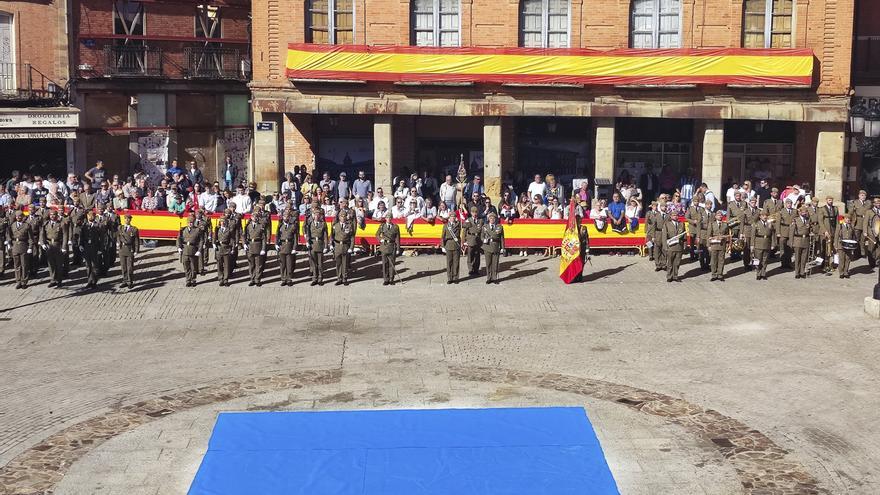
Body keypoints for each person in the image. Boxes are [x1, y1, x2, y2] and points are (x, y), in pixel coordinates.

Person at [80, 210, 107, 289]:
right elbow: (82, 236)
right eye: (89, 215)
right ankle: (89, 281)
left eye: (92, 216)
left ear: (94, 217)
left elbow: (102, 238)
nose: (90, 217)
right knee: (88, 265)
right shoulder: (84, 225)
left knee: (94, 265)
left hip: (95, 247)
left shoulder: (98, 225)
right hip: (87, 247)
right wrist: (81, 245)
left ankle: (94, 282)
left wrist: (100, 249)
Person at [658, 203, 684, 282]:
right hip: (671, 247)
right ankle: (669, 276)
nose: (675, 216)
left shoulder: (681, 224)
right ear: (671, 216)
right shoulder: (667, 224)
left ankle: (675, 276)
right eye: (673, 215)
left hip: (679, 246)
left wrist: (684, 245)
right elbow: (664, 236)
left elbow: (684, 236)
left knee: (677, 263)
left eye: (676, 215)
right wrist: (665, 247)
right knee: (670, 263)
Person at [9, 210, 34, 289]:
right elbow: (9, 235)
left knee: (24, 265)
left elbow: (30, 238)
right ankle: (18, 281)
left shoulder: (27, 225)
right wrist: (9, 244)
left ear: (23, 217)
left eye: (20, 216)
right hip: (15, 246)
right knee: (17, 265)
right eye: (17, 216)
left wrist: (30, 247)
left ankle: (24, 281)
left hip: (23, 245)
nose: (18, 218)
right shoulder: (13, 225)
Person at [177, 214, 204, 287]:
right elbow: (179, 239)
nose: (190, 224)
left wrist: (199, 250)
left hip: (193, 250)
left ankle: (193, 279)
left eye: (191, 222)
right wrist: (179, 247)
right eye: (189, 222)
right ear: (187, 223)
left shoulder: (197, 230)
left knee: (193, 267)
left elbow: (201, 241)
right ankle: (188, 280)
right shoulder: (183, 230)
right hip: (185, 250)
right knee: (186, 267)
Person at [243, 209, 268, 286]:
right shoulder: (248, 226)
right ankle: (252, 279)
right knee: (251, 264)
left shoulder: (261, 226)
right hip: (250, 245)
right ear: (251, 217)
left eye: (256, 217)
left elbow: (264, 238)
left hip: (258, 245)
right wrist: (244, 244)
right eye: (253, 217)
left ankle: (257, 279)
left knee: (258, 265)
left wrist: (263, 248)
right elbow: (244, 235)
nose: (255, 218)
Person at [305, 206, 328, 286]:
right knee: (313, 263)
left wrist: (326, 246)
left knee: (320, 263)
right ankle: (314, 278)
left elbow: (325, 236)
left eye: (318, 215)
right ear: (313, 215)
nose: (317, 216)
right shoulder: (310, 224)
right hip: (312, 244)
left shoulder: (323, 224)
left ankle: (320, 278)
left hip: (320, 244)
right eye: (315, 215)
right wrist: (307, 241)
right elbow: (308, 234)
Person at [276, 209, 299, 286]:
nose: (286, 218)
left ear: (289, 217)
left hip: (289, 245)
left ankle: (289, 279)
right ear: (282, 217)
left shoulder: (293, 226)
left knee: (289, 264)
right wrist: (276, 244)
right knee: (282, 265)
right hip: (282, 246)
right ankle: (283, 279)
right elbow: (277, 235)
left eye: (287, 216)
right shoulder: (280, 225)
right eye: (285, 216)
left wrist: (294, 248)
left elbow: (296, 238)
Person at [214, 210, 237, 286]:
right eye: (221, 222)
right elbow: (214, 238)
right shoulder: (217, 229)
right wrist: (214, 244)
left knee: (227, 265)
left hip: (226, 248)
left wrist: (233, 248)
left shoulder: (229, 230)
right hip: (219, 248)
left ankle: (226, 279)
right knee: (219, 265)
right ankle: (220, 279)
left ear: (226, 222)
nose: (222, 223)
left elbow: (232, 240)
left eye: (224, 222)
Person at [116, 214, 140, 289]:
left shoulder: (134, 229)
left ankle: (130, 281)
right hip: (122, 249)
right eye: (126, 219)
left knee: (130, 267)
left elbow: (136, 241)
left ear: (130, 220)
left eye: (128, 219)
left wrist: (136, 250)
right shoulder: (120, 227)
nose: (127, 220)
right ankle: (125, 280)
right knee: (123, 266)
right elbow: (118, 236)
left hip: (130, 249)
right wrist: (118, 243)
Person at [377, 212, 400, 286]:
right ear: (385, 219)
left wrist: (398, 249)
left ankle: (391, 279)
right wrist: (380, 239)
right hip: (384, 246)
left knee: (392, 264)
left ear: (391, 218)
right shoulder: (382, 226)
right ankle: (385, 279)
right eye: (387, 218)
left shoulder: (395, 227)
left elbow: (398, 238)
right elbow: (377, 234)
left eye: (390, 218)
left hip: (392, 246)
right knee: (385, 264)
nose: (388, 219)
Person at [790, 206, 813, 279]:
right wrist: (791, 242)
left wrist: (811, 233)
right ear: (799, 212)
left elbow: (810, 229)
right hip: (797, 240)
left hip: (805, 240)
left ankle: (802, 272)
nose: (804, 213)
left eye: (806, 212)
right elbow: (791, 232)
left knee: (804, 258)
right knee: (797, 258)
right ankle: (797, 272)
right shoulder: (795, 220)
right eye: (803, 212)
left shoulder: (808, 220)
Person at [481, 212, 504, 284]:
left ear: (495, 219)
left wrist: (503, 247)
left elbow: (502, 238)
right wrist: (483, 240)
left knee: (495, 263)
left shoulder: (499, 227)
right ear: (488, 219)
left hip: (495, 246)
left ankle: (494, 278)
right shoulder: (485, 227)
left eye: (493, 218)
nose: (492, 219)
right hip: (487, 246)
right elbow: (481, 236)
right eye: (490, 218)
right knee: (488, 263)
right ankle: (489, 277)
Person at [750, 210, 774, 280]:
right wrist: (752, 245)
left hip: (767, 242)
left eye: (766, 215)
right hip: (758, 243)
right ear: (760, 217)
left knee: (765, 259)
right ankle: (758, 273)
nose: (765, 217)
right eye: (763, 216)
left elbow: (772, 235)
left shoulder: (769, 224)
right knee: (757, 259)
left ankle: (763, 273)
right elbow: (753, 235)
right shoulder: (756, 224)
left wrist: (773, 244)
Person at [706, 209, 729, 281]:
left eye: (721, 215)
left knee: (721, 260)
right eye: (718, 215)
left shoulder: (725, 224)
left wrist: (727, 244)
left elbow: (727, 235)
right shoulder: (712, 224)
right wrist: (708, 245)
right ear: (715, 216)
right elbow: (708, 235)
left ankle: (720, 275)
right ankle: (714, 275)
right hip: (714, 244)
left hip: (722, 245)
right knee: (713, 260)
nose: (720, 216)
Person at [441, 213, 462, 284]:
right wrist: (443, 246)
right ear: (449, 218)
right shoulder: (446, 226)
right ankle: (450, 278)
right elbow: (443, 237)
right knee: (449, 262)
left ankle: (455, 277)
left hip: (456, 245)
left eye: (454, 216)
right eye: (451, 216)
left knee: (456, 263)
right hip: (448, 244)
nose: (452, 218)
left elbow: (461, 233)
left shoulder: (458, 225)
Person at [834, 214, 856, 278]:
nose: (848, 220)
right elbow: (836, 236)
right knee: (841, 259)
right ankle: (841, 272)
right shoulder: (839, 226)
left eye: (849, 219)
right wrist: (836, 245)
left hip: (849, 245)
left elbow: (853, 236)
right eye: (847, 218)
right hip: (841, 245)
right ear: (844, 219)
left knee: (848, 259)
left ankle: (846, 272)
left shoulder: (851, 226)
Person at [463, 206, 483, 276]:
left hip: (478, 239)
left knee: (477, 256)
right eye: (473, 212)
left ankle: (476, 269)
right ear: (471, 213)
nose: (475, 214)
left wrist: (482, 240)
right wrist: (464, 241)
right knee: (470, 255)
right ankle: (471, 269)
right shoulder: (468, 220)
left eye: (476, 212)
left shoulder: (480, 220)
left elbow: (482, 231)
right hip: (470, 238)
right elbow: (464, 231)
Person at [778, 199, 796, 269]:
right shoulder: (782, 211)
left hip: (791, 232)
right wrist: (778, 232)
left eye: (790, 203)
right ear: (785, 204)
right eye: (788, 203)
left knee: (789, 248)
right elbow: (778, 222)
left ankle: (788, 263)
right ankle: (783, 263)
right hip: (783, 231)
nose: (789, 205)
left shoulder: (794, 211)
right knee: (782, 248)